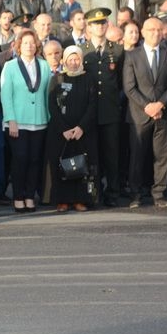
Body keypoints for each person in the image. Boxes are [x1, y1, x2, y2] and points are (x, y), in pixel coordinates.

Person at [0, 29, 51, 213]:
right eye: (25, 43)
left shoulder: (44, 66)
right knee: (20, 159)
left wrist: (50, 117)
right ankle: (18, 196)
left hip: (39, 120)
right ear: (18, 46)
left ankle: (30, 196)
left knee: (35, 160)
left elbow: (47, 94)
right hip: (17, 122)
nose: (29, 46)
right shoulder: (10, 66)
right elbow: (6, 95)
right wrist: (10, 119)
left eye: (32, 42)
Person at [43, 45, 98, 211]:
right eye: (70, 59)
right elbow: (52, 105)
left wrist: (81, 127)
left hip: (83, 132)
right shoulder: (57, 79)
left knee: (82, 165)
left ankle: (80, 200)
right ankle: (63, 200)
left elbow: (93, 105)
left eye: (76, 59)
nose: (74, 63)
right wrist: (63, 129)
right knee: (62, 165)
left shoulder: (89, 79)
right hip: (62, 132)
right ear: (64, 61)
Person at [79, 7, 125, 207]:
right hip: (89, 113)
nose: (100, 26)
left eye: (103, 22)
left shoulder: (118, 50)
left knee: (111, 155)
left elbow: (123, 82)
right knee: (92, 156)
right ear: (88, 27)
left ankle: (113, 194)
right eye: (95, 23)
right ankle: (93, 194)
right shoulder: (82, 51)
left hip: (111, 112)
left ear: (108, 25)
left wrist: (118, 104)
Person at [122, 17, 167, 208]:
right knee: (137, 156)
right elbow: (129, 87)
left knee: (162, 156)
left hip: (163, 113)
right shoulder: (133, 55)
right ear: (143, 32)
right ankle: (136, 194)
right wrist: (148, 106)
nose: (155, 33)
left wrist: (160, 104)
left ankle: (159, 193)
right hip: (139, 114)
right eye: (151, 30)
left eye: (159, 30)